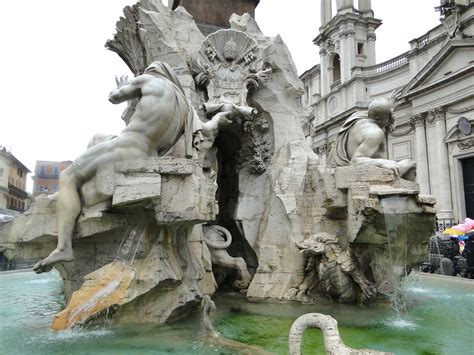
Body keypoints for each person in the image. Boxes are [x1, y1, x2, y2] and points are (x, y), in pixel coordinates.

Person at [33, 61, 231, 273]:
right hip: (146, 152)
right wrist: (220, 116)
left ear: (153, 72)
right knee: (98, 138)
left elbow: (113, 97)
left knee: (67, 176)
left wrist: (123, 86)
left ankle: (63, 247)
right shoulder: (185, 108)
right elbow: (208, 129)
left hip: (127, 148)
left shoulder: (148, 80)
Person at [327, 97, 416, 180]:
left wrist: (388, 105)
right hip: (359, 173)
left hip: (340, 168)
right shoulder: (376, 133)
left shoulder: (356, 117)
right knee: (410, 164)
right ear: (386, 119)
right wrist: (382, 163)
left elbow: (377, 110)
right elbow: (355, 161)